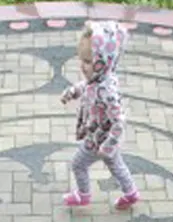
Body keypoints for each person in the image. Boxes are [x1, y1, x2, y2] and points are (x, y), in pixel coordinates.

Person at [60, 21, 140, 210]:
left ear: (102, 61)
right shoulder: (101, 78)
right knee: (116, 166)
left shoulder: (107, 92)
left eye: (87, 62)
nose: (82, 66)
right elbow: (86, 87)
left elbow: (119, 121)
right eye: (82, 60)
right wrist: (72, 92)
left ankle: (83, 195)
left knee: (78, 164)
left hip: (98, 140)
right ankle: (131, 193)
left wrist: (107, 145)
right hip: (100, 138)